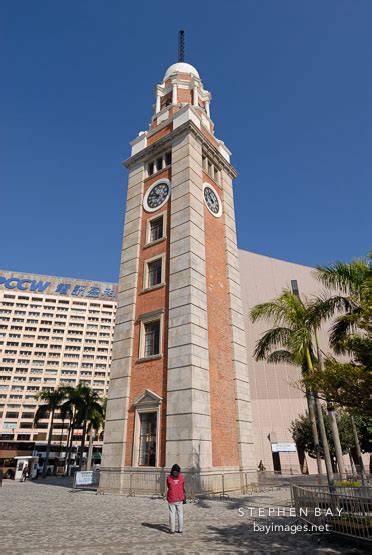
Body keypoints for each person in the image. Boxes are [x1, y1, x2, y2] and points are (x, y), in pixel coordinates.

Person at [166, 464, 185, 534]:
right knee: (180, 513)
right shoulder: (182, 477)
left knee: (172, 513)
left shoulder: (169, 477)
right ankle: (180, 529)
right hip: (180, 497)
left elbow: (168, 486)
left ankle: (172, 529)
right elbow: (183, 486)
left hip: (172, 497)